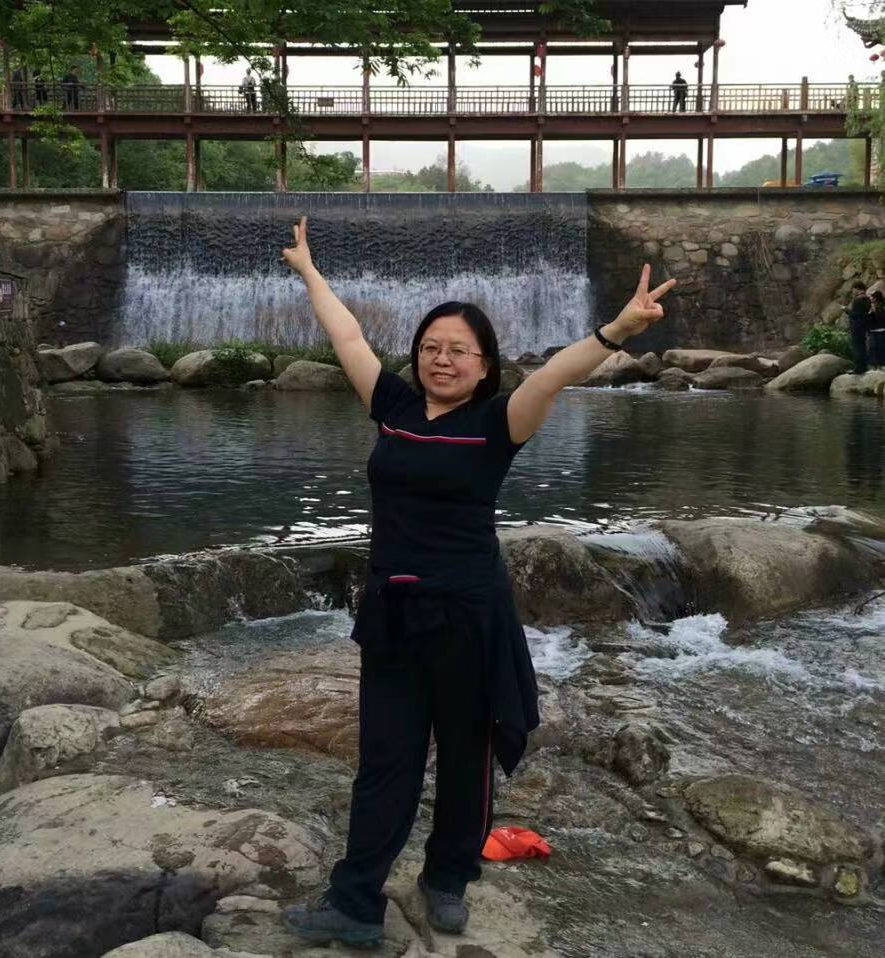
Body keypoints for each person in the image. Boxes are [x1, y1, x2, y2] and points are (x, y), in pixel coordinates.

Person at [279, 216, 676, 949]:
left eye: (458, 350)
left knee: (467, 757)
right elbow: (348, 337)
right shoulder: (393, 407)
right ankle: (355, 902)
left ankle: (448, 877)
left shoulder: (499, 423)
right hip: (393, 612)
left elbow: (554, 374)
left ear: (485, 363)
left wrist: (616, 331)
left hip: (466, 616)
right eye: (431, 346)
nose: (442, 359)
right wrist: (309, 272)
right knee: (385, 762)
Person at [845, 280, 872, 375]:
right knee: (862, 347)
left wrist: (846, 310)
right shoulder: (867, 299)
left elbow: (855, 315)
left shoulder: (857, 300)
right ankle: (864, 367)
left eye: (853, 289)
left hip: (856, 327)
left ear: (857, 288)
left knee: (857, 347)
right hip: (864, 326)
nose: (853, 291)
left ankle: (858, 369)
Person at [868, 289, 885, 369]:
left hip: (880, 330)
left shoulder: (881, 306)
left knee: (880, 348)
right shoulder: (872, 306)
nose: (871, 298)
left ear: (876, 298)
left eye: (872, 297)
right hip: (873, 330)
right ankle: (875, 366)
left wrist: (874, 311)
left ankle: (880, 365)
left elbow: (880, 318)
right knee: (873, 348)